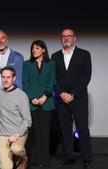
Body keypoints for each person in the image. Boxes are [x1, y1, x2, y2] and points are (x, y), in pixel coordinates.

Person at [51, 28, 92, 169]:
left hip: (78, 99)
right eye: (63, 36)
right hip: (61, 99)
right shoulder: (55, 56)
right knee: (65, 129)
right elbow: (53, 79)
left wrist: (72, 94)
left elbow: (86, 77)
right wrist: (61, 93)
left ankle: (87, 158)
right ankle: (69, 157)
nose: (66, 38)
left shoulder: (84, 54)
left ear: (74, 38)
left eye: (69, 36)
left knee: (82, 129)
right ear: (60, 38)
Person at [22, 40, 56, 167]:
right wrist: (32, 98)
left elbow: (52, 81)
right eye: (32, 49)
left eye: (37, 48)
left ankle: (44, 160)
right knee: (33, 133)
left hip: (46, 103)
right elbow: (25, 82)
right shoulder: (27, 64)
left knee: (44, 132)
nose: (34, 50)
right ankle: (33, 160)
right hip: (32, 103)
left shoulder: (51, 63)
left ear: (43, 50)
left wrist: (45, 96)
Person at [0, 66, 31, 169]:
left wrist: (17, 134)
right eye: (3, 77)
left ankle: (23, 159)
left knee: (16, 148)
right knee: (6, 167)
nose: (5, 80)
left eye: (8, 77)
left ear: (14, 78)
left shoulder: (21, 95)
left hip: (18, 133)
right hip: (3, 134)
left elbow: (27, 120)